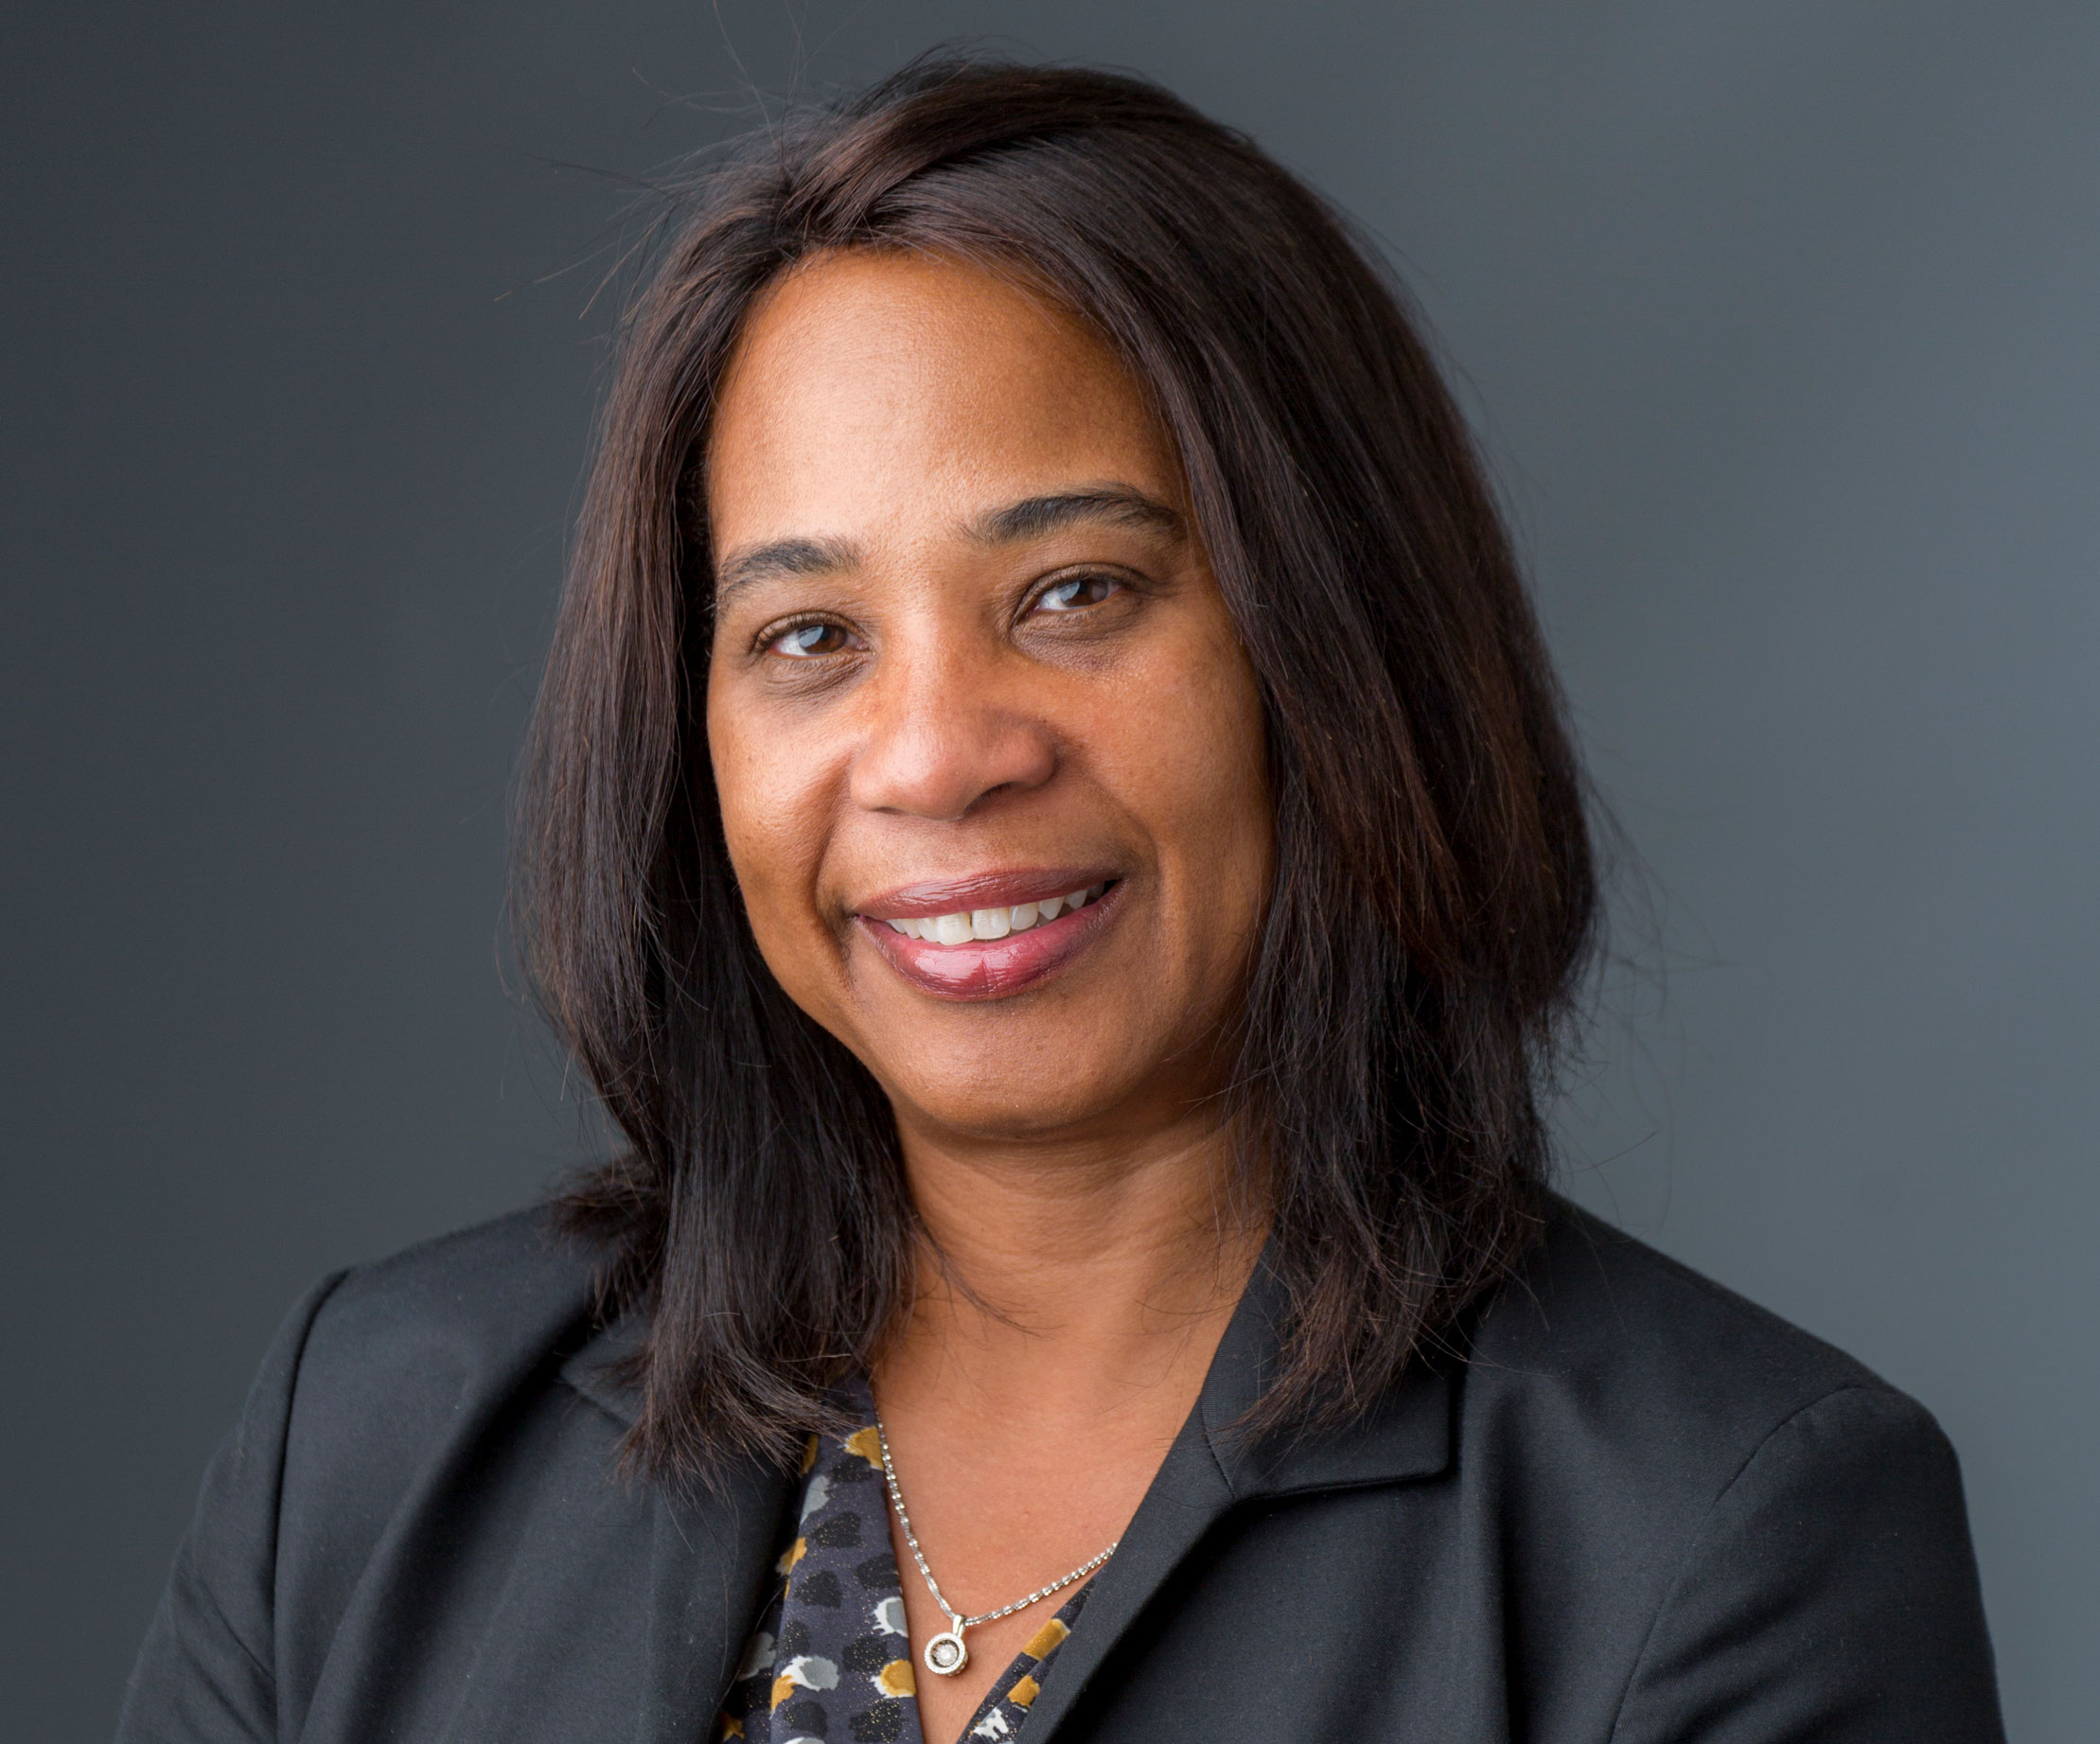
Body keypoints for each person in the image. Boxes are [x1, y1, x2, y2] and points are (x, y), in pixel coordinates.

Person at [117, 60, 2004, 1744]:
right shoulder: (368, 1442)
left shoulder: (1724, 1532)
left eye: (1077, 591)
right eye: (808, 634)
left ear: (1332, 644)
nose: (934, 754)